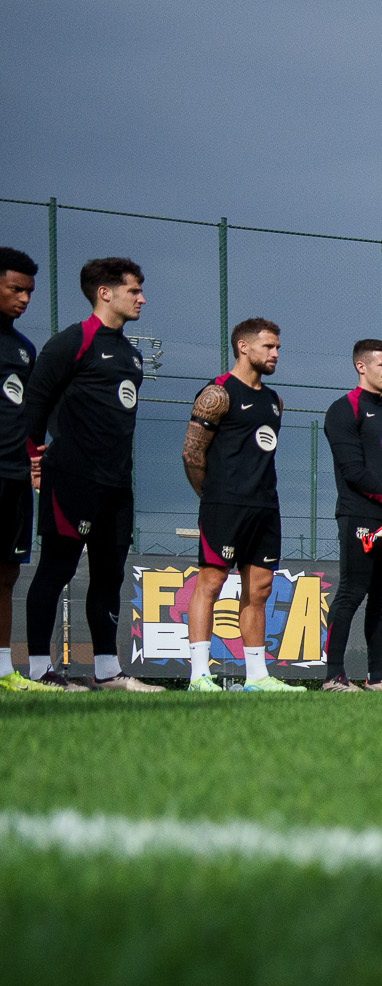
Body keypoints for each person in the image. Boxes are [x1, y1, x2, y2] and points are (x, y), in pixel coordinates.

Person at [24, 259, 155, 690]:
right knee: (56, 569)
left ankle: (107, 671)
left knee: (109, 575)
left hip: (118, 485)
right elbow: (36, 403)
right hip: (72, 478)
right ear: (105, 292)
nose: (141, 298)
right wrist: (33, 458)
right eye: (133, 290)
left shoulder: (132, 355)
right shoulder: (72, 342)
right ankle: (40, 669)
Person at [181, 317, 291, 691]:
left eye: (277, 347)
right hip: (224, 506)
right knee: (210, 583)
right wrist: (212, 497)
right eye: (268, 346)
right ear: (243, 347)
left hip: (266, 507)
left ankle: (257, 677)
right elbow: (191, 453)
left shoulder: (274, 401)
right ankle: (199, 675)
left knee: (258, 590)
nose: (275, 353)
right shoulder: (217, 393)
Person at [320, 338, 382, 692]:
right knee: (352, 592)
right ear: (361, 366)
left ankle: (379, 676)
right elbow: (353, 471)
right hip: (360, 516)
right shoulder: (343, 409)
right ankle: (334, 676)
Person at [0, 247, 38, 691]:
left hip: (14, 475)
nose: (25, 298)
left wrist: (32, 457)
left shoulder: (24, 349)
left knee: (7, 574)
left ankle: (5, 669)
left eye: (29, 291)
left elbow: (26, 414)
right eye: (16, 289)